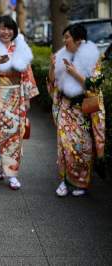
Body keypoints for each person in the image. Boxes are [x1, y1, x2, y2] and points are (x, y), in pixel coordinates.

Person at [0, 15, 38, 190]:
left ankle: (12, 173)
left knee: (14, 137)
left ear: (14, 30)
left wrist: (27, 98)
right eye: (2, 28)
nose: (6, 32)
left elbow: (27, 74)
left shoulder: (20, 47)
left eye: (9, 28)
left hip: (16, 96)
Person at [48, 24, 105, 197]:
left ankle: (82, 182)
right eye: (64, 37)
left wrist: (75, 73)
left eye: (68, 37)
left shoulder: (93, 58)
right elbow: (52, 82)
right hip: (66, 107)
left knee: (84, 148)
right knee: (64, 146)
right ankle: (64, 181)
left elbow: (95, 85)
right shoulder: (61, 56)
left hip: (83, 111)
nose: (65, 41)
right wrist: (52, 66)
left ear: (78, 39)